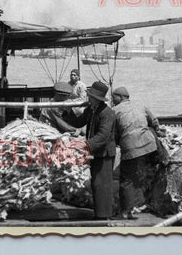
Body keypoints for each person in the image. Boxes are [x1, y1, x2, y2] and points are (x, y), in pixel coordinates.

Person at [62, 81, 116, 220]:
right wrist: (68, 112)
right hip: (95, 152)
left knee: (102, 184)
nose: (89, 99)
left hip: (104, 154)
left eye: (91, 97)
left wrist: (85, 145)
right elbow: (79, 122)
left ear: (98, 99)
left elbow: (103, 136)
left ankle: (104, 216)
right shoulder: (91, 110)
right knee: (96, 183)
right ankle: (99, 213)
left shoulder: (107, 113)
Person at [111, 86, 158, 219]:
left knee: (126, 180)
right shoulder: (141, 105)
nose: (112, 99)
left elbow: (113, 133)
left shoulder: (114, 111)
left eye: (113, 97)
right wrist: (158, 129)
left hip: (132, 148)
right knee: (136, 176)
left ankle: (125, 212)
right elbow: (154, 122)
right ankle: (138, 204)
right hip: (150, 145)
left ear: (120, 97)